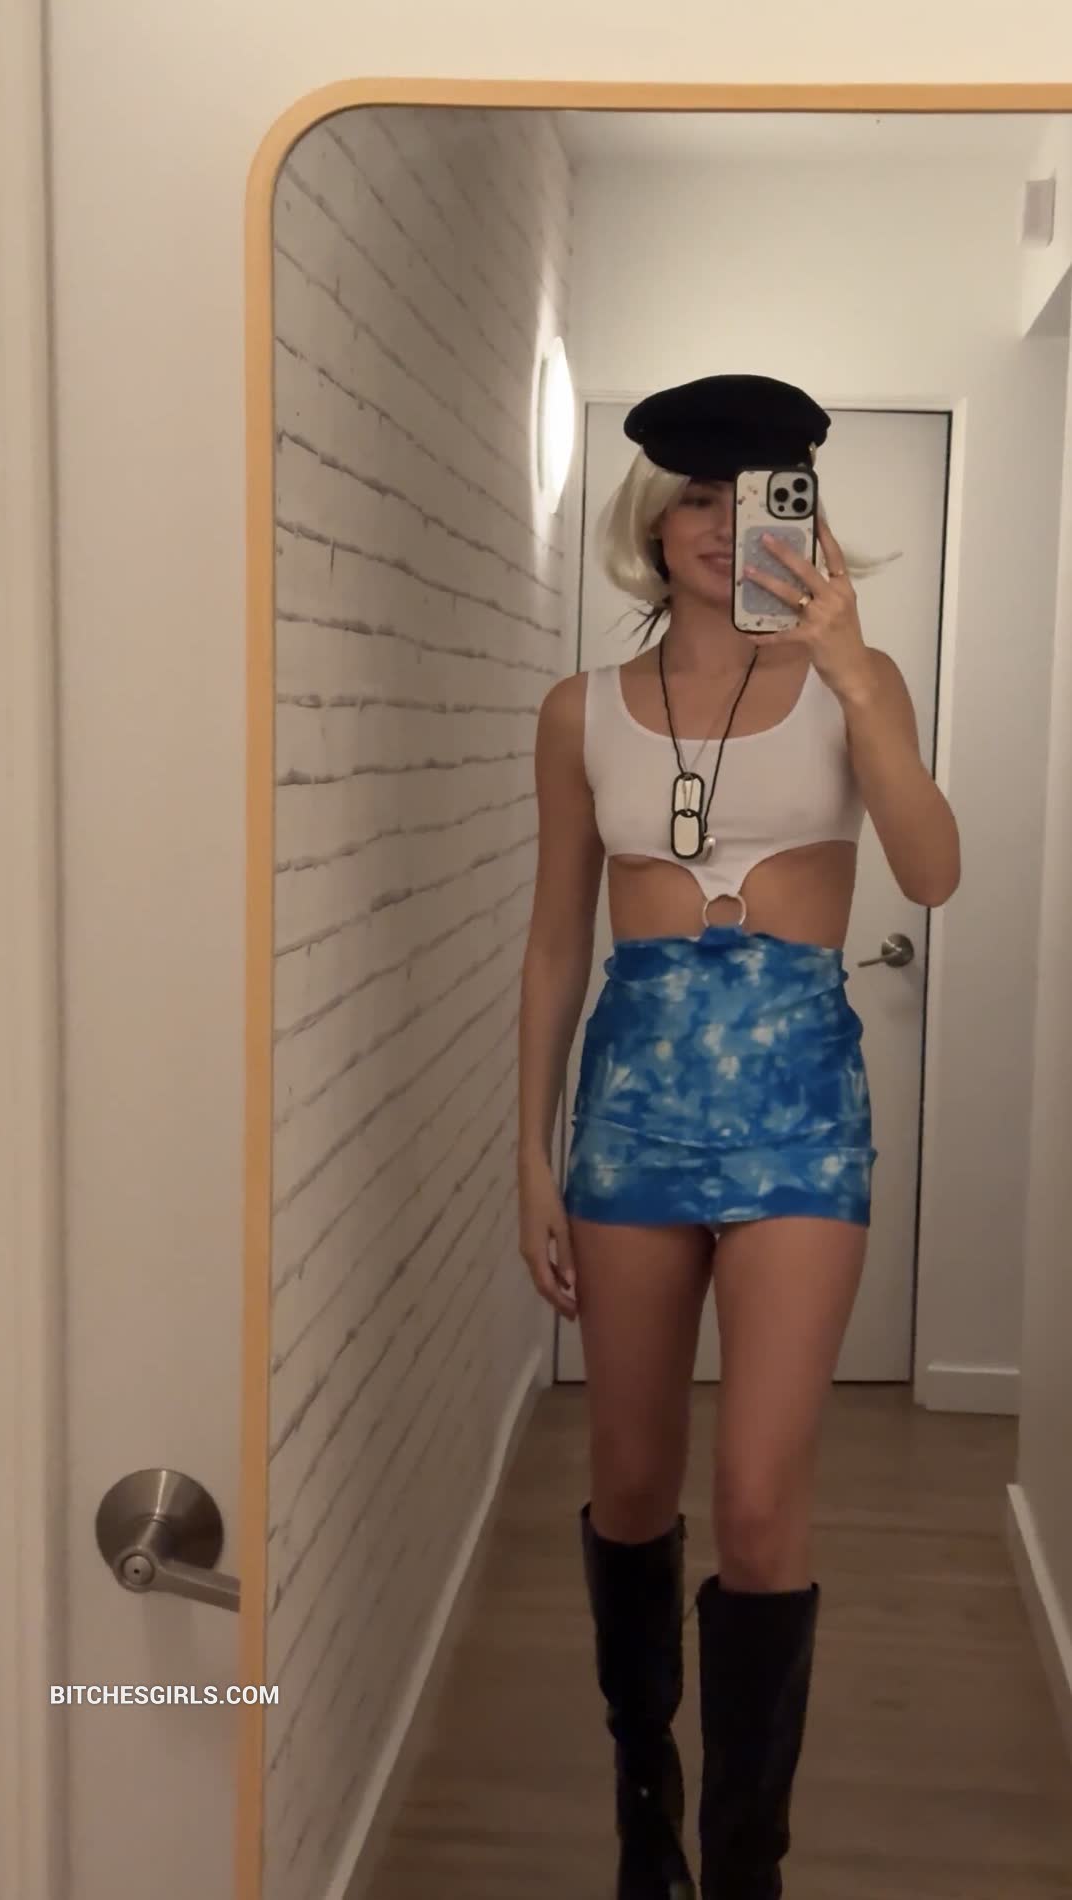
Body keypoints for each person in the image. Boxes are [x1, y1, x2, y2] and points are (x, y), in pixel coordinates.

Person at [516, 374, 960, 1900]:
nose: (723, 526)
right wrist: (528, 1157)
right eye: (696, 498)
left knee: (763, 1507)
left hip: (797, 1108)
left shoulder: (857, 679)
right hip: (632, 1103)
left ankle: (745, 1864)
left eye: (762, 497)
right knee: (632, 1482)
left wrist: (851, 676)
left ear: (803, 520)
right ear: (652, 522)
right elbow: (552, 947)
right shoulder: (578, 709)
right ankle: (644, 1812)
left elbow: (931, 871)